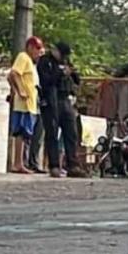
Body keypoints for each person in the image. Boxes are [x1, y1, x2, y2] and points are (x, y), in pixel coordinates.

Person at [37, 41, 84, 178]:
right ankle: (54, 165)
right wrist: (61, 73)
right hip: (51, 99)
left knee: (71, 132)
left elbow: (76, 80)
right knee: (52, 133)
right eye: (61, 54)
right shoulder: (45, 61)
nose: (63, 58)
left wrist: (72, 73)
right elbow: (46, 81)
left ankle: (73, 165)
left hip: (65, 99)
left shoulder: (66, 62)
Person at [8, 36, 44, 174]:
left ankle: (19, 163)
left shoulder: (30, 62)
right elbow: (14, 74)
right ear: (30, 47)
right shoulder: (23, 57)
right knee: (22, 133)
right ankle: (18, 163)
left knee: (24, 133)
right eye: (36, 49)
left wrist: (14, 91)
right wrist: (20, 91)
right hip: (25, 103)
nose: (37, 52)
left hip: (29, 103)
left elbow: (10, 77)